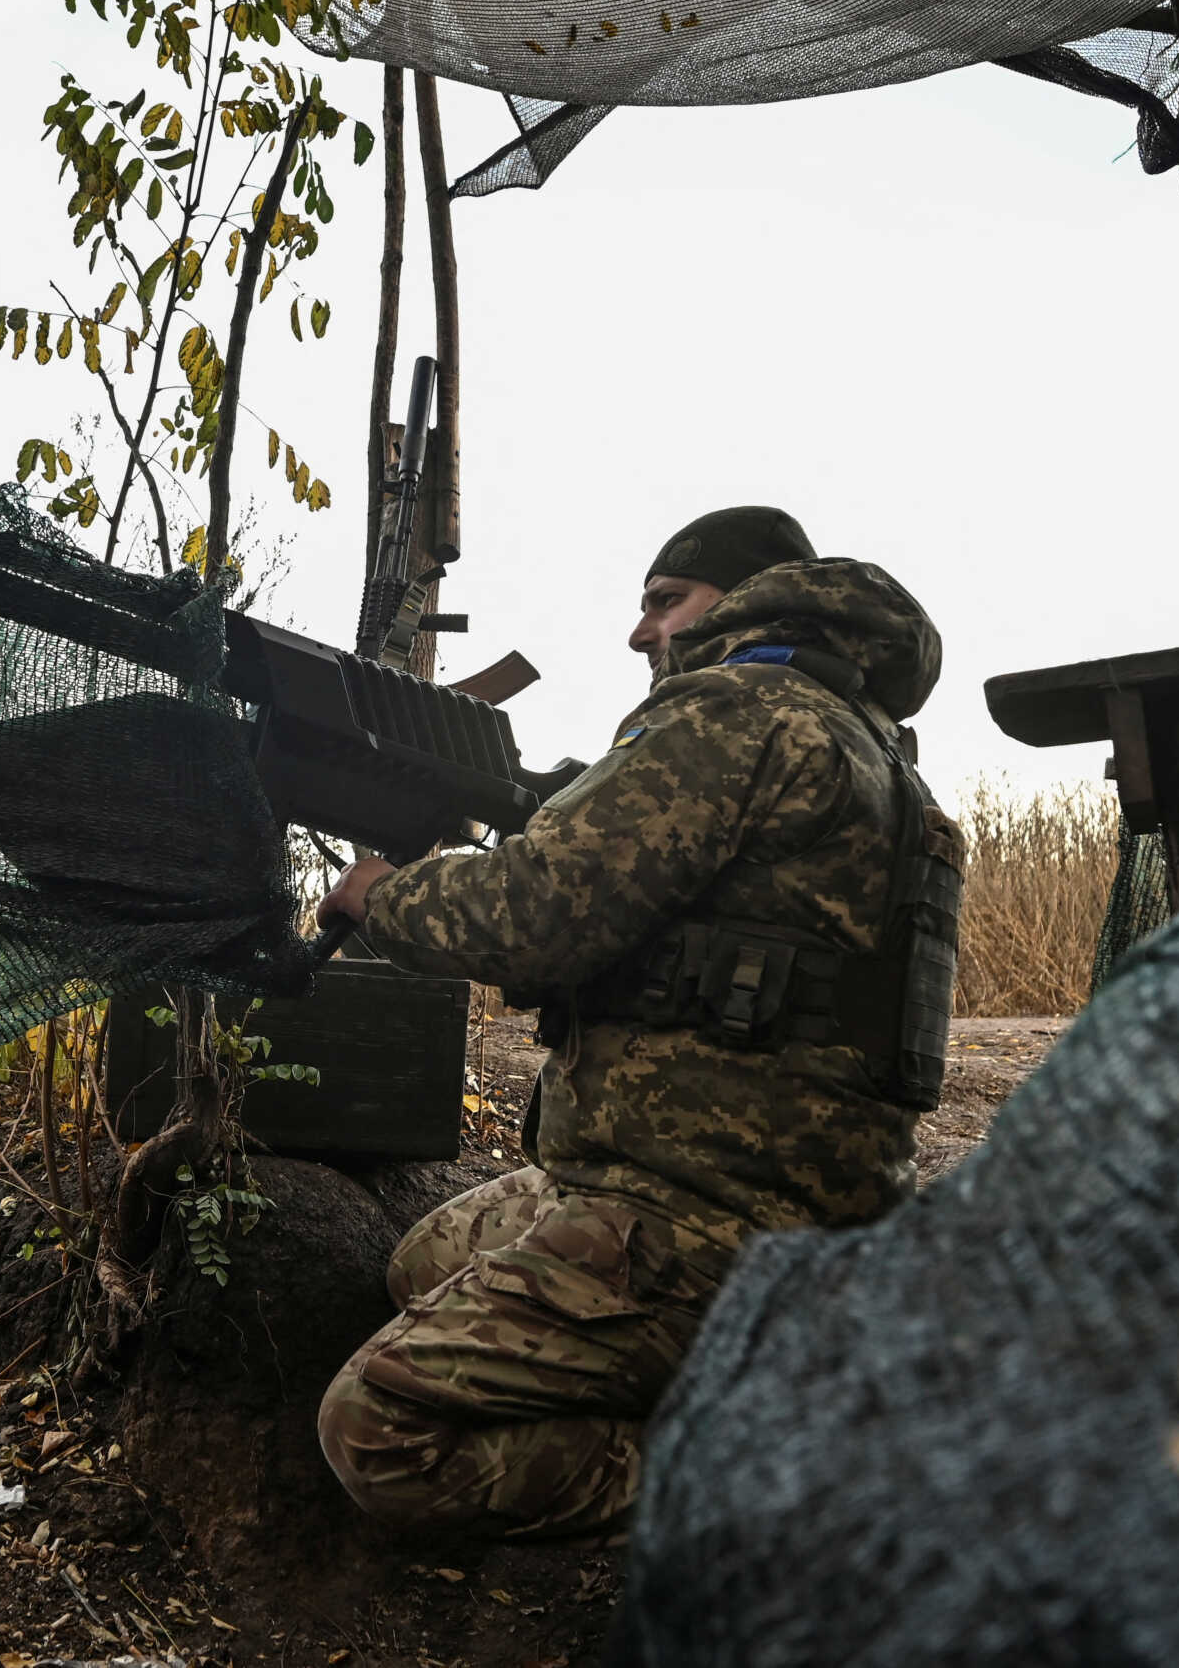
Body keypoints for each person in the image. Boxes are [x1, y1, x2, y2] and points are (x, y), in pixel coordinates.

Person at [310, 504, 962, 1539]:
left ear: (748, 598)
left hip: (705, 1218)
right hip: (775, 1202)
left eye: (666, 600)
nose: (641, 631)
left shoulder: (736, 710)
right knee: (423, 1261)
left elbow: (532, 915)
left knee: (377, 1426)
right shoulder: (874, 753)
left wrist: (383, 894)